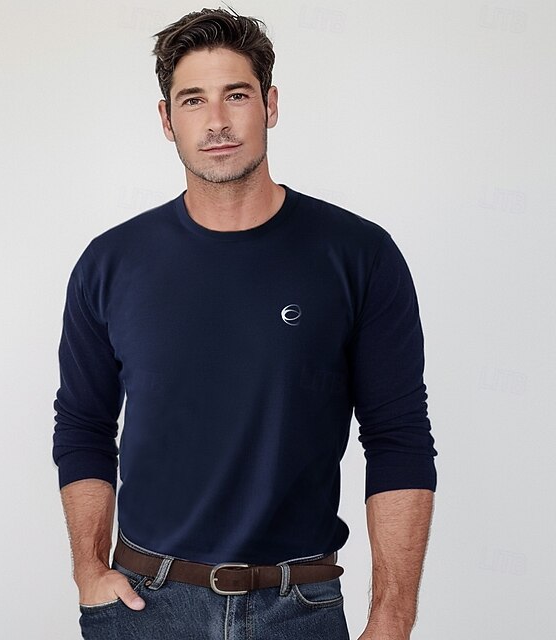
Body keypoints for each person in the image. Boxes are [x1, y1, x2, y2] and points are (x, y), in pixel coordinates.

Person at [52, 7, 437, 640]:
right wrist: (89, 570)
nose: (217, 121)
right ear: (166, 120)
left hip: (300, 606)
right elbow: (83, 426)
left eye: (236, 95)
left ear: (270, 105)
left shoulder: (358, 255)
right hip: (146, 605)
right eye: (193, 100)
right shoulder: (111, 264)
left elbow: (398, 438)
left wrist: (392, 620)